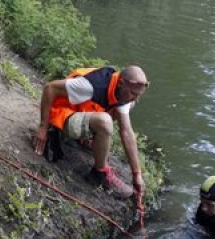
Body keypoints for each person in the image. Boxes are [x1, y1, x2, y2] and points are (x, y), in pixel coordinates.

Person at [33, 65, 149, 200]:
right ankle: (100, 172)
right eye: (133, 93)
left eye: (138, 95)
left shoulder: (120, 91)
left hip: (80, 112)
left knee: (127, 106)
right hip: (60, 115)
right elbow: (50, 88)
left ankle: (90, 137)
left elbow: (127, 132)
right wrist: (43, 127)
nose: (135, 98)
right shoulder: (89, 86)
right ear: (121, 83)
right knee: (105, 122)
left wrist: (137, 175)